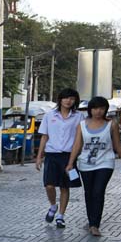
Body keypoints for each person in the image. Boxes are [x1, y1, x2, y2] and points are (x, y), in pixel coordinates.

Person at [67, 96, 121, 237]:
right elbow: (77, 144)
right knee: (89, 193)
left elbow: (117, 144)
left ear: (106, 110)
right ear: (90, 109)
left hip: (105, 162)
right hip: (85, 163)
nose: (98, 111)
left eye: (102, 108)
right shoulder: (82, 125)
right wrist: (71, 163)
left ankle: (95, 224)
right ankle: (91, 222)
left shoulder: (111, 124)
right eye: (95, 108)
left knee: (98, 192)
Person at [35, 88, 84, 228]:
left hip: (69, 155)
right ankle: (52, 206)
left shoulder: (79, 117)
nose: (68, 101)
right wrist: (39, 157)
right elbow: (44, 136)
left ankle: (61, 216)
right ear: (60, 99)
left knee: (64, 186)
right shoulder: (50, 116)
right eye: (66, 98)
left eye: (72, 98)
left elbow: (79, 139)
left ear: (75, 101)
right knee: (49, 185)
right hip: (52, 154)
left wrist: (73, 158)